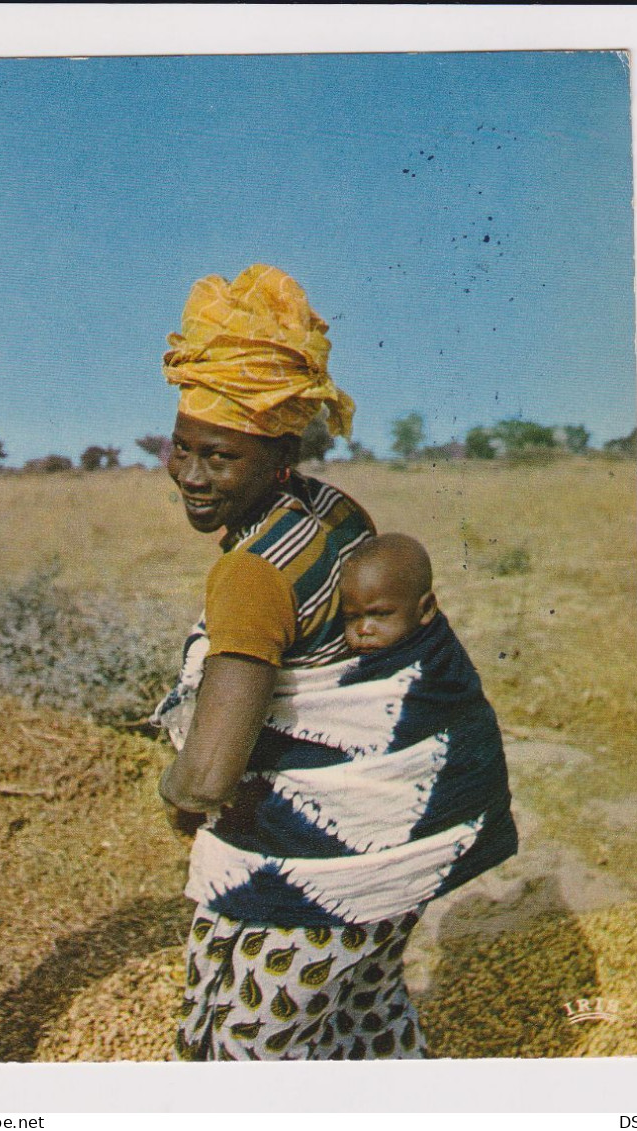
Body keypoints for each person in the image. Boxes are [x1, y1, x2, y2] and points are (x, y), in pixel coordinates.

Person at [156, 264, 517, 1062]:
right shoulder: (334, 510)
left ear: (276, 456)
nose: (189, 474)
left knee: (255, 1051)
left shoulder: (250, 575)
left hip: (328, 866)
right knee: (363, 1018)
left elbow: (211, 773)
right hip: (402, 848)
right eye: (180, 448)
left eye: (218, 457)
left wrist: (177, 792)